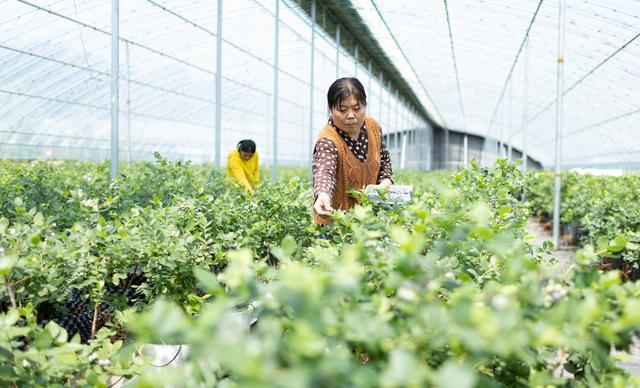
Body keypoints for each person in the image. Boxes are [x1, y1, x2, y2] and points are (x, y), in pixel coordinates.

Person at [312, 77, 394, 225]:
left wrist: (385, 182)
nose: (350, 115)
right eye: (342, 110)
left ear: (365, 105)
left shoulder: (374, 128)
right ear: (331, 110)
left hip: (369, 222)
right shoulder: (328, 140)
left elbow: (384, 164)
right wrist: (323, 195)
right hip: (337, 227)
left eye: (357, 108)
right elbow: (324, 172)